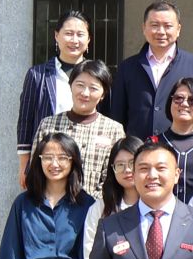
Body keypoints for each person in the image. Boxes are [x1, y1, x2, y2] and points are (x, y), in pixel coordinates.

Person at [31, 59, 125, 210]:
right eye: (80, 85)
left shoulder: (114, 129)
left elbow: (113, 176)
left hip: (96, 211)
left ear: (103, 94)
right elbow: (35, 169)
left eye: (93, 88)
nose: (85, 93)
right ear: (71, 86)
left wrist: (92, 207)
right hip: (52, 208)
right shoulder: (48, 125)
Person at [107, 1, 193, 137]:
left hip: (180, 145)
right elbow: (117, 115)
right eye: (154, 25)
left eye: (168, 26)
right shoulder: (127, 67)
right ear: (144, 28)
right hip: (138, 146)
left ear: (178, 29)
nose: (161, 32)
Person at [16, 11, 93, 185]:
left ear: (88, 39)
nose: (74, 40)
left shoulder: (96, 76)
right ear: (56, 36)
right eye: (69, 33)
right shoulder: (38, 75)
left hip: (86, 158)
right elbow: (25, 120)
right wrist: (24, 164)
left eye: (80, 34)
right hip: (49, 161)